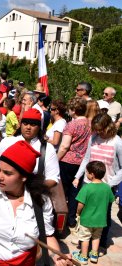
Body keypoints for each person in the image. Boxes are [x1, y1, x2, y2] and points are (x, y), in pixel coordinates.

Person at [73, 113, 122, 254]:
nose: (98, 132)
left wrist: (110, 184)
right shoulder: (93, 138)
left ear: (109, 126)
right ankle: (84, 239)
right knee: (86, 213)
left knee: (103, 215)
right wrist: (78, 176)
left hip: (107, 186)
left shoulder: (117, 142)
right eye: (96, 129)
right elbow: (86, 158)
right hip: (88, 183)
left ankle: (101, 243)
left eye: (101, 129)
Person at [0, 108, 60, 189]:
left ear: (39, 127)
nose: (28, 127)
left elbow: (53, 178)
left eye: (33, 125)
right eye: (25, 123)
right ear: (21, 124)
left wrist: (31, 189)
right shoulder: (7, 142)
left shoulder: (47, 149)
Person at [57, 97, 91, 229]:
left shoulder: (71, 125)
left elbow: (64, 146)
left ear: (73, 110)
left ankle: (60, 220)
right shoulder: (89, 123)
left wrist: (55, 159)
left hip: (67, 161)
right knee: (75, 193)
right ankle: (71, 219)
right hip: (82, 163)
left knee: (62, 192)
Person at [72, 161, 115, 265]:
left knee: (85, 237)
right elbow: (111, 201)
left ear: (92, 174)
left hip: (86, 219)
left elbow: (80, 204)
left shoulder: (86, 188)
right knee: (96, 237)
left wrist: (78, 213)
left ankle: (83, 256)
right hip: (100, 220)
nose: (86, 174)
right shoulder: (107, 188)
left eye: (87, 172)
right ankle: (94, 255)